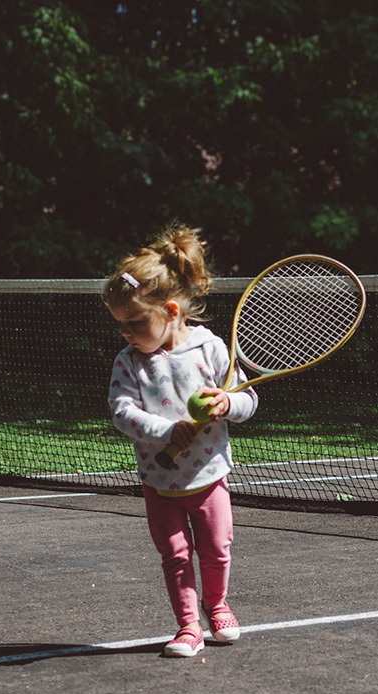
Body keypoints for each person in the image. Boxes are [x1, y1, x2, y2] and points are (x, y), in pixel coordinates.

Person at [103, 224, 258, 658]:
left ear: (170, 310)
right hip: (159, 481)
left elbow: (247, 399)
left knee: (217, 549)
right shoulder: (128, 362)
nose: (126, 333)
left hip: (209, 476)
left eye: (135, 322)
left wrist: (228, 404)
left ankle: (217, 604)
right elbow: (122, 413)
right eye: (121, 325)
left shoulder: (209, 349)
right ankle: (188, 626)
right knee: (175, 555)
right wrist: (167, 431)